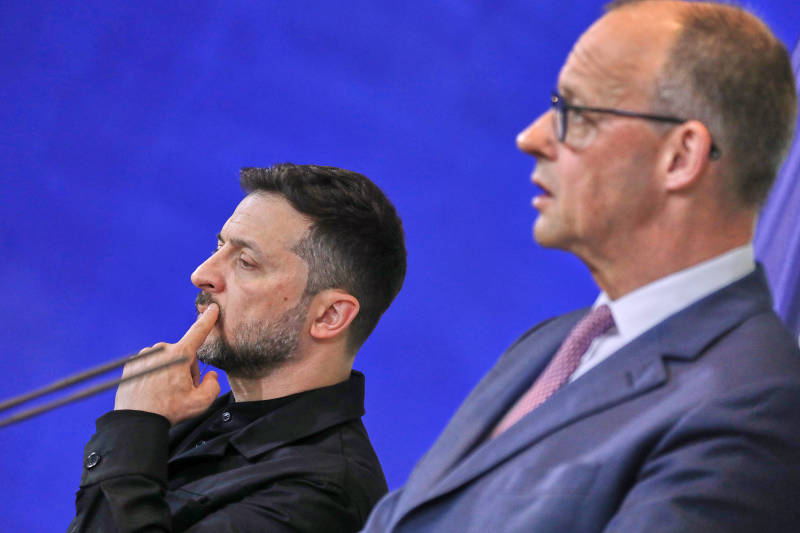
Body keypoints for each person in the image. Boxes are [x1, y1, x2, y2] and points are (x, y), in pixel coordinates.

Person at [360, 1, 800, 532]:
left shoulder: (756, 401)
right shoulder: (548, 345)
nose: (532, 137)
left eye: (577, 112)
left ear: (681, 156)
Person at [67, 163, 407, 532]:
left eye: (246, 262)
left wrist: (134, 427)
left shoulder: (320, 496)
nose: (201, 274)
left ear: (329, 316)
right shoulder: (204, 419)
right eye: (219, 246)